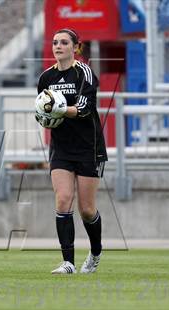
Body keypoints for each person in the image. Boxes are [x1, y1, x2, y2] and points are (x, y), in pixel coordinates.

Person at [35, 29, 107, 274]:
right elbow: (43, 114)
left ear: (76, 47)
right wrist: (45, 117)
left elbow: (85, 108)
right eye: (55, 42)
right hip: (62, 149)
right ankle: (68, 262)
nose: (58, 46)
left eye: (64, 42)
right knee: (63, 199)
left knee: (86, 209)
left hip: (89, 147)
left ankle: (96, 252)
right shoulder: (46, 77)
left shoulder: (84, 72)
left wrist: (57, 108)